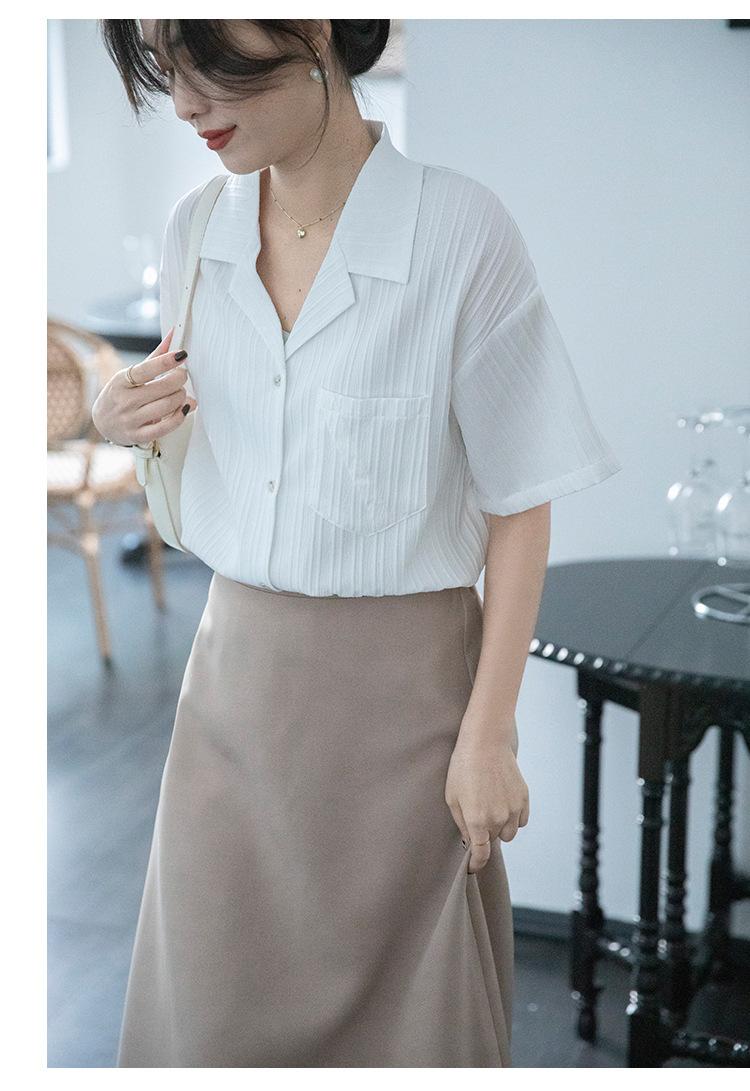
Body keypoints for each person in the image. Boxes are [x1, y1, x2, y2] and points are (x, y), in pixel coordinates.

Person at [93, 19, 622, 1068]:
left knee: (411, 1034)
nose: (186, 103)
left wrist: (489, 735)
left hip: (408, 713)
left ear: (314, 26)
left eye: (205, 59)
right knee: (210, 1020)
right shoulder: (195, 230)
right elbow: (207, 434)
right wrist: (123, 416)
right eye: (164, 70)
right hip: (232, 694)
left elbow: (520, 502)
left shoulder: (459, 230)